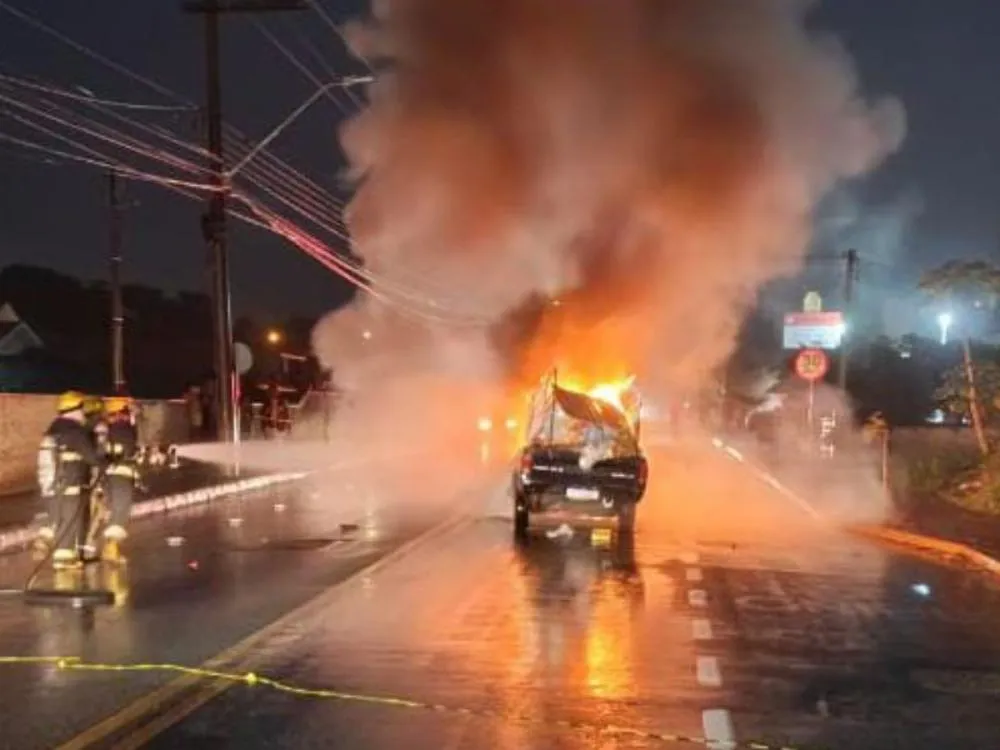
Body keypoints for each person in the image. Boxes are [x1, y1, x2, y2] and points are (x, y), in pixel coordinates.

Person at [36, 390, 101, 569]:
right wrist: (108, 460)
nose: (84, 413)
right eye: (82, 408)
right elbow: (92, 457)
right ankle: (63, 559)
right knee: (69, 521)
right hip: (68, 485)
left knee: (63, 521)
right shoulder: (74, 431)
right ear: (75, 409)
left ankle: (62, 556)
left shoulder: (56, 428)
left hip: (54, 485)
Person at [99, 395, 140, 563]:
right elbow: (131, 449)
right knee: (120, 511)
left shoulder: (107, 429)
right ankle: (111, 549)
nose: (128, 414)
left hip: (108, 477)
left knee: (113, 510)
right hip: (121, 477)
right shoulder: (124, 428)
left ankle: (108, 547)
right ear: (120, 412)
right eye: (126, 411)